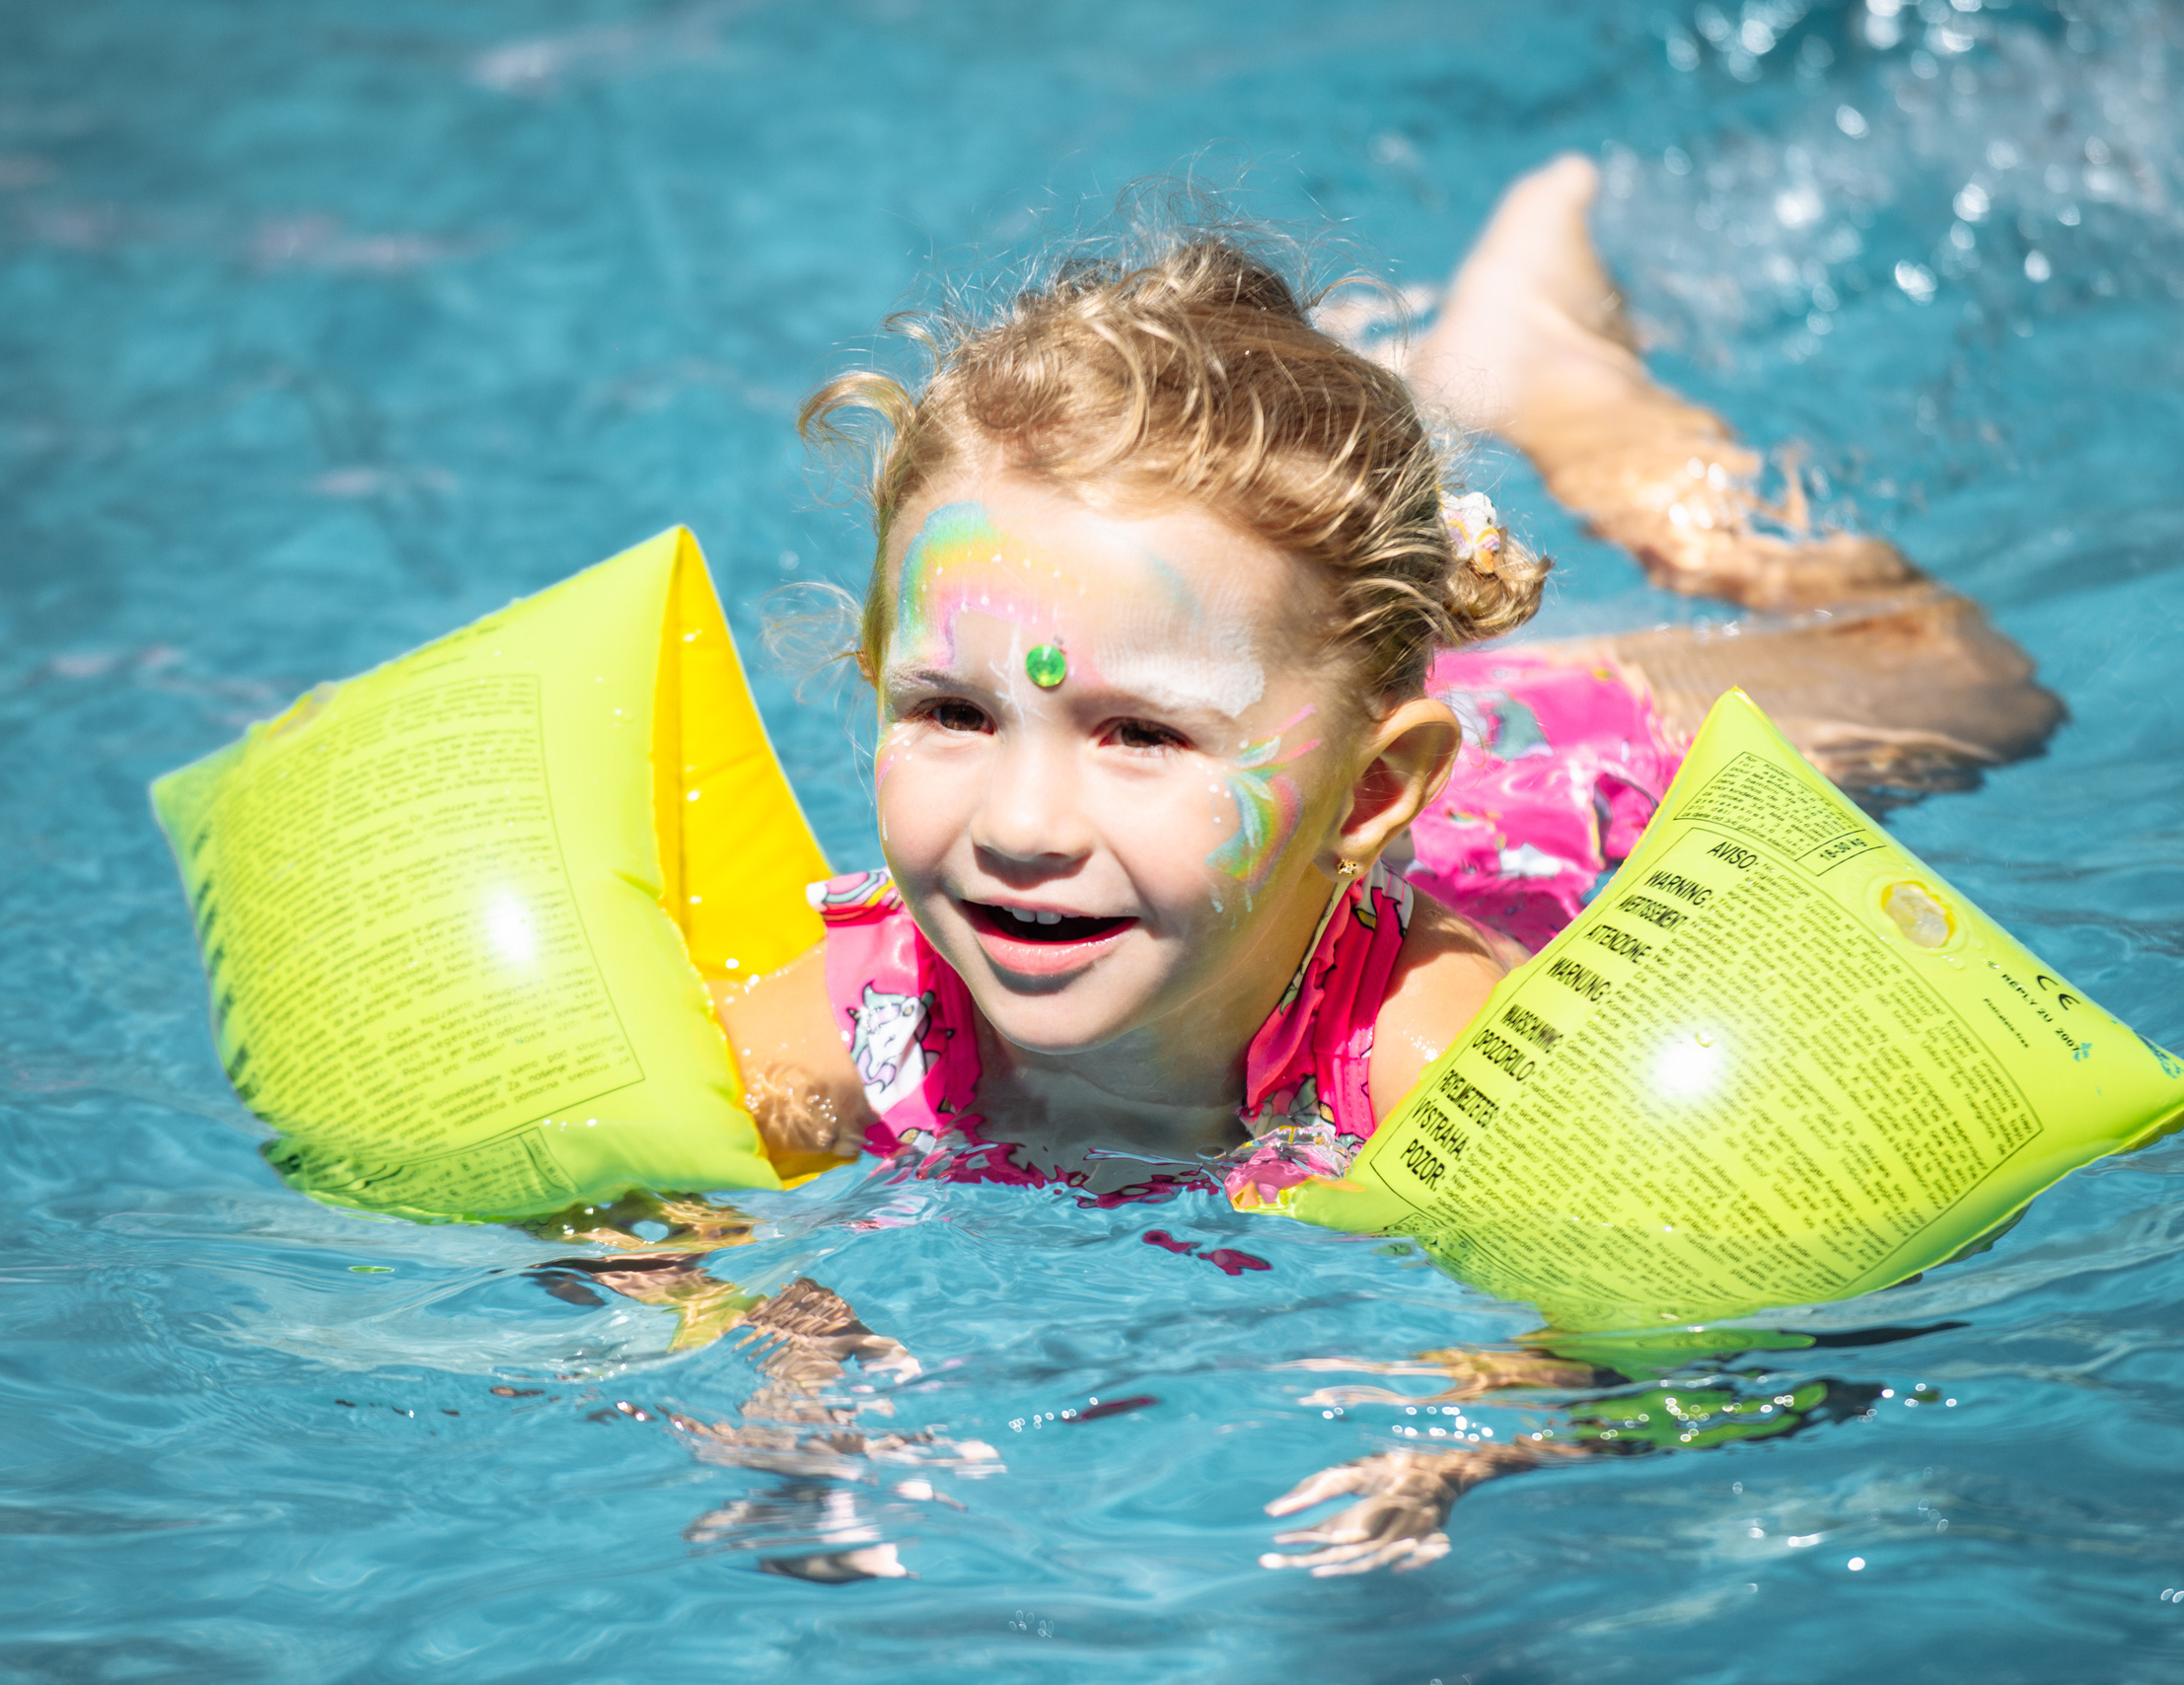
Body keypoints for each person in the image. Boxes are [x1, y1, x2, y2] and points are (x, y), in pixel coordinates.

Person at [547, 154, 2061, 1578]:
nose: (1018, 820)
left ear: (1374, 787)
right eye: (950, 710)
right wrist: (783, 1343)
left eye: (1135, 734)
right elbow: (626, 1211)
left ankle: (1562, 384)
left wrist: (1479, 1426)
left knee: (1966, 685)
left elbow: (1632, 1309)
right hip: (1326, 725)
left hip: (1572, 770)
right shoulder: (869, 1016)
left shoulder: (1427, 1050)